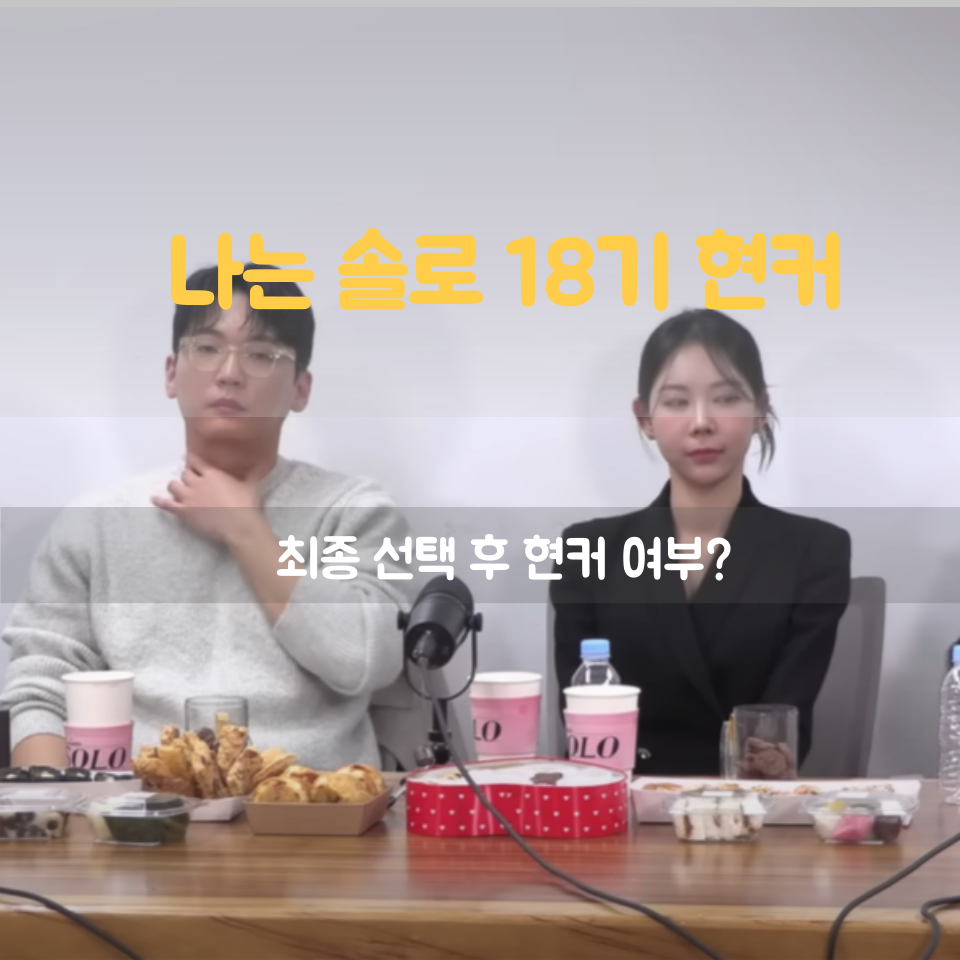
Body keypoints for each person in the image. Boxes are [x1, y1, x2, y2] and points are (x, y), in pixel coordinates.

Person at [1, 265, 413, 771]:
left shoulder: (354, 511)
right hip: (133, 806)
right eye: (208, 347)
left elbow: (366, 659)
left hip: (311, 804)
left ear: (300, 389)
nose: (230, 372)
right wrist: (53, 801)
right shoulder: (96, 522)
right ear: (171, 373)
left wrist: (245, 528)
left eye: (262, 354)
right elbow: (41, 688)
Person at [551, 309, 851, 776]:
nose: (701, 422)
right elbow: (586, 725)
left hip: (750, 803)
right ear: (645, 417)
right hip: (620, 803)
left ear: (760, 409)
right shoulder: (586, 549)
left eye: (726, 398)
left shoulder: (816, 551)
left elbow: (783, 727)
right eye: (676, 401)